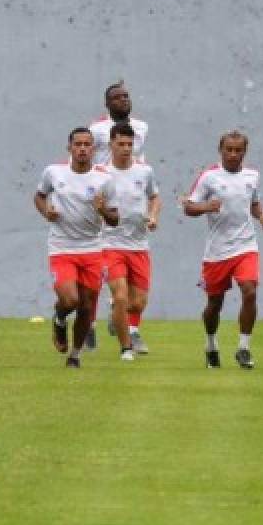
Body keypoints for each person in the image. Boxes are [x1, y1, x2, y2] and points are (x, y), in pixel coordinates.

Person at [184, 131, 263, 370]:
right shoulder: (209, 177)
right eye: (229, 150)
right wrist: (205, 206)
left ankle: (244, 348)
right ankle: (211, 344)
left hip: (246, 245)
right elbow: (188, 208)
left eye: (238, 150)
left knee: (250, 291)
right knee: (214, 304)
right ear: (220, 150)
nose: (233, 154)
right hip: (217, 251)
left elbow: (253, 203)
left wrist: (261, 216)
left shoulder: (252, 176)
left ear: (245, 152)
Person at [34, 128, 118, 368]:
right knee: (70, 300)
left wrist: (102, 210)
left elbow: (115, 219)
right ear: (69, 147)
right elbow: (39, 196)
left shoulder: (104, 179)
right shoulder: (54, 172)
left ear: (94, 149)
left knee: (87, 306)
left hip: (93, 248)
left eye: (87, 145)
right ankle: (59, 319)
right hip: (62, 247)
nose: (82, 149)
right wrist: (46, 211)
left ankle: (75, 354)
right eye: (78, 144)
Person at [101, 123, 161, 360]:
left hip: (138, 245)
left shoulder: (144, 171)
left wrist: (153, 216)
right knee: (120, 296)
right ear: (111, 144)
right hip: (109, 244)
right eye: (121, 144)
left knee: (138, 303)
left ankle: (118, 316)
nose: (126, 149)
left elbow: (154, 197)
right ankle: (126, 348)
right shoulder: (101, 173)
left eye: (130, 144)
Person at [90, 82, 148, 166]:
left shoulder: (142, 126)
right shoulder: (96, 129)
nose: (123, 99)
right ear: (107, 104)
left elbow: (139, 154)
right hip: (107, 177)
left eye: (126, 96)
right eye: (116, 98)